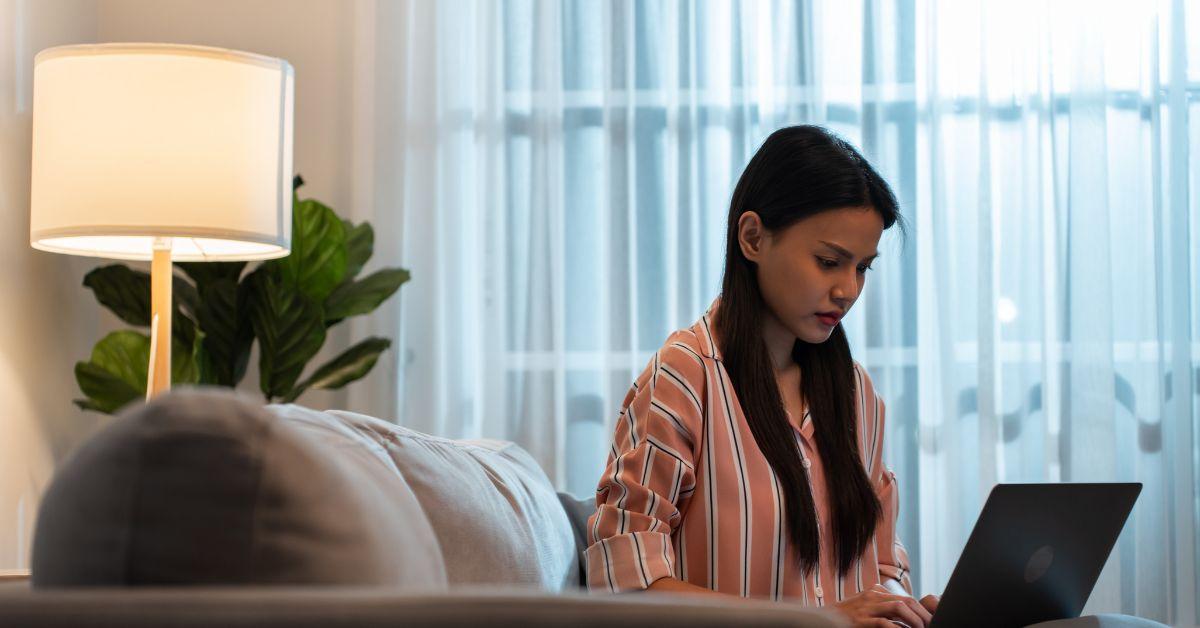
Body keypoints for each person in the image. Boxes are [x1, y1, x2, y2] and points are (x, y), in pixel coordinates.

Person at [585, 125, 940, 627]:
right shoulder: (685, 378)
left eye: (863, 268)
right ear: (753, 237)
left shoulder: (859, 395)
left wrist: (899, 606)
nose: (848, 290)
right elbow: (624, 582)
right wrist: (815, 623)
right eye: (829, 261)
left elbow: (882, 563)